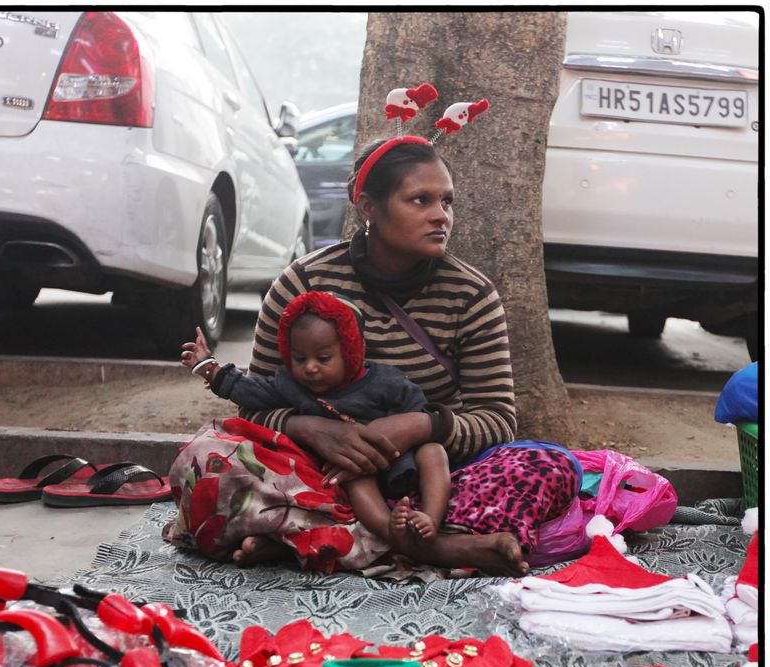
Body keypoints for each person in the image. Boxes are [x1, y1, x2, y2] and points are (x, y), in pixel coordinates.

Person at [164, 135, 581, 577]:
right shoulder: (301, 284)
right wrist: (313, 429)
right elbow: (254, 404)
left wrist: (420, 426)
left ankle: (312, 537)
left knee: (546, 466)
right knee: (206, 459)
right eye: (420, 200)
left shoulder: (471, 296)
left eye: (447, 202)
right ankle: (428, 547)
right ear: (369, 207)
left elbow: (497, 420)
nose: (441, 216)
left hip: (429, 485)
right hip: (319, 474)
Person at [180, 290, 451, 542]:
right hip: (345, 470)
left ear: (351, 351)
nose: (310, 368)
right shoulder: (291, 385)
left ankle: (430, 518)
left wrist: (400, 435)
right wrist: (209, 368)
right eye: (299, 359)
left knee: (433, 451)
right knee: (357, 480)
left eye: (323, 358)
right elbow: (251, 392)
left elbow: (417, 410)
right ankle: (388, 529)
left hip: (398, 459)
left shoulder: (386, 381)